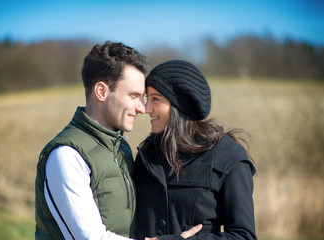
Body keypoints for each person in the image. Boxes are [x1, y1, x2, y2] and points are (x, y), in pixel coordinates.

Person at [35, 41, 149, 240]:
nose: (142, 108)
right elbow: (90, 237)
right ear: (101, 92)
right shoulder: (66, 156)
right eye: (134, 96)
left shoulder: (121, 147)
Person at [134, 60, 257, 240]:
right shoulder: (146, 157)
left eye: (155, 99)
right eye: (147, 99)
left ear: (179, 105)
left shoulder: (228, 157)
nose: (146, 109)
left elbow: (243, 237)